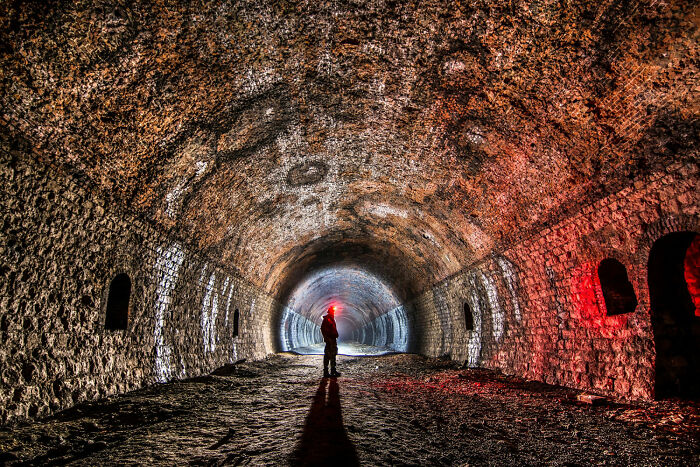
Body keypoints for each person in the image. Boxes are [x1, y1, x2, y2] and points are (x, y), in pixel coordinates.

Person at [321, 306, 341, 377]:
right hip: (330, 340)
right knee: (328, 355)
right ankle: (326, 371)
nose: (333, 312)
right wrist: (327, 338)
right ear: (330, 312)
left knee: (333, 354)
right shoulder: (327, 319)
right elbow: (323, 329)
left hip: (332, 339)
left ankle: (333, 370)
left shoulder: (331, 319)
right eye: (333, 311)